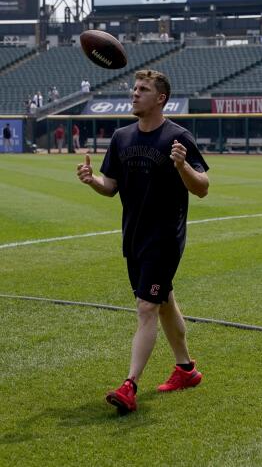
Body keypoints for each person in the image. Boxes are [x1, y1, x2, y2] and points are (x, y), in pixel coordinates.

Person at [76, 69, 209, 414]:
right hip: (133, 235)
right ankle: (186, 370)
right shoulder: (121, 137)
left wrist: (182, 167)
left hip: (165, 238)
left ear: (160, 98)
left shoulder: (178, 137)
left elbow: (203, 187)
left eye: (143, 89)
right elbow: (111, 188)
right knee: (163, 301)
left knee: (146, 307)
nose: (135, 94)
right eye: (134, 88)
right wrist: (92, 181)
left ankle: (129, 385)